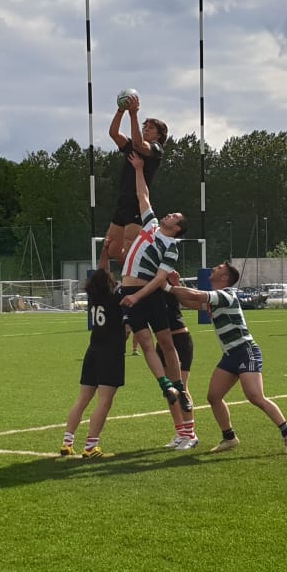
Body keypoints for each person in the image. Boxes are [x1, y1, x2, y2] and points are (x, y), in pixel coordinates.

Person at [166, 261, 287, 455]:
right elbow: (190, 302)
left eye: (219, 267)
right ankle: (229, 437)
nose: (215, 267)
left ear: (224, 278)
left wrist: (168, 286)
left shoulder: (227, 294)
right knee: (214, 397)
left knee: (254, 396)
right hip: (230, 354)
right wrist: (176, 286)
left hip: (246, 351)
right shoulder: (216, 298)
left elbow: (195, 295)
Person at [117, 153, 192, 415]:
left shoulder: (171, 247)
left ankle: (180, 388)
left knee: (165, 342)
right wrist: (139, 169)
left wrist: (137, 297)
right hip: (128, 290)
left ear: (177, 228)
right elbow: (143, 196)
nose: (169, 214)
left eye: (174, 216)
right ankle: (166, 386)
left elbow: (160, 279)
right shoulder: (150, 224)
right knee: (145, 343)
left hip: (145, 294)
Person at [60, 269, 127, 459]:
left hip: (92, 351)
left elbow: (101, 273)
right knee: (104, 401)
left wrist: (105, 250)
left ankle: (67, 442)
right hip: (110, 353)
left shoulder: (93, 297)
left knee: (82, 400)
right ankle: (91, 446)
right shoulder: (116, 299)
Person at [101, 92, 169, 266]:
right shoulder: (133, 144)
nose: (146, 129)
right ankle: (137, 270)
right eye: (144, 127)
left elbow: (140, 145)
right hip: (122, 201)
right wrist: (121, 110)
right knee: (111, 250)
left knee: (131, 247)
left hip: (136, 202)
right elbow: (114, 133)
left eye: (151, 128)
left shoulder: (156, 149)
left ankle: (137, 280)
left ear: (160, 135)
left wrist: (133, 114)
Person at [162, 291, 199, 449]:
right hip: (163, 342)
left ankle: (191, 435)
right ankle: (181, 433)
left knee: (181, 387)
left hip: (179, 338)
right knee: (169, 389)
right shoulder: (147, 288)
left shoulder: (166, 284)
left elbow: (187, 297)